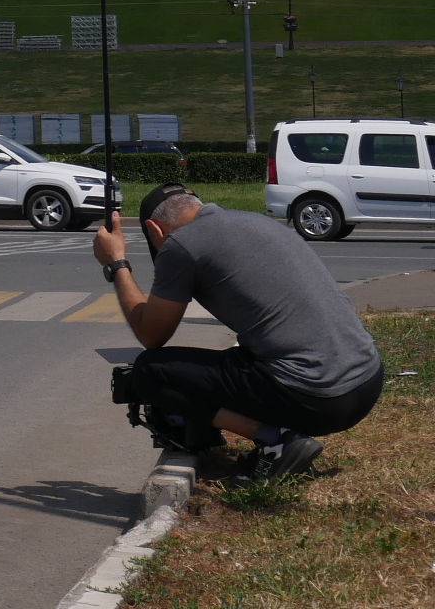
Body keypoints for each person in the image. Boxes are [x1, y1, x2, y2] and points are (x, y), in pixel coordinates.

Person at [95, 182, 384, 478]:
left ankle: (277, 441)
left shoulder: (181, 244)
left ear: (155, 230)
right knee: (240, 356)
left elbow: (151, 335)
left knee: (149, 372)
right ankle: (276, 436)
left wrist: (117, 263)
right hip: (368, 381)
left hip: (319, 398)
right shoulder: (258, 221)